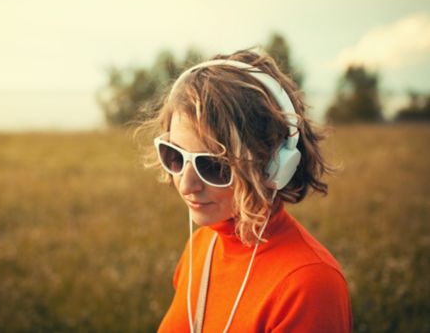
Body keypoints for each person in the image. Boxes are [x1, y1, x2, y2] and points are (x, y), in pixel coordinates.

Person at [136, 49, 352, 332]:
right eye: (175, 155)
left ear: (274, 165)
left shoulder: (308, 284)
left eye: (214, 165)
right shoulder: (202, 246)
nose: (186, 185)